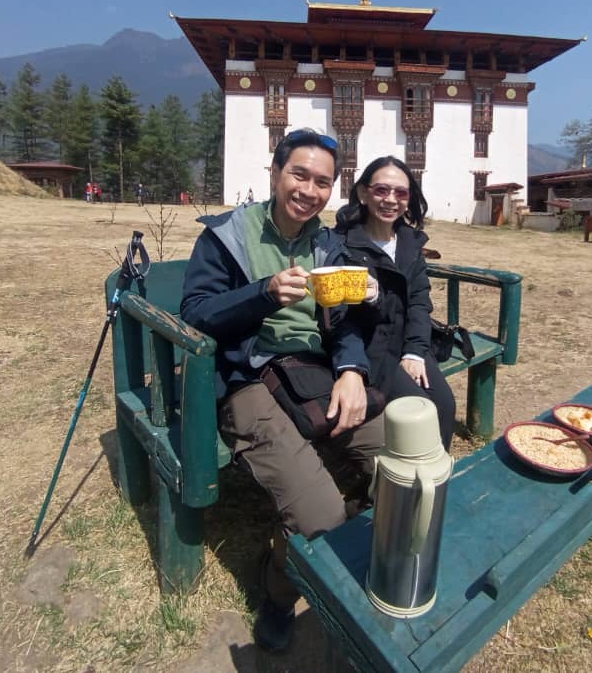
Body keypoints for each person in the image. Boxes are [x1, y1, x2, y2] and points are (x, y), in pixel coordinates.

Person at [180, 128, 382, 653]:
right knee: (320, 516)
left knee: (408, 465)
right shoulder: (226, 236)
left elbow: (344, 325)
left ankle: (374, 550)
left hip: (314, 373)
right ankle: (277, 589)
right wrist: (263, 294)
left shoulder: (328, 244)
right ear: (275, 173)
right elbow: (196, 314)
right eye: (299, 174)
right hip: (248, 379)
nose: (309, 190)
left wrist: (353, 370)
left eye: (322, 182)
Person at [335, 156, 457, 450]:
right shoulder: (342, 244)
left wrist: (415, 352)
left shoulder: (409, 243)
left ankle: (435, 477)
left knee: (445, 405)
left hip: (406, 342)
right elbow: (341, 316)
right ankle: (408, 482)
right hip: (370, 348)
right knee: (420, 413)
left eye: (401, 193)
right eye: (381, 190)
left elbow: (419, 302)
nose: (391, 200)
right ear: (363, 193)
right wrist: (372, 299)